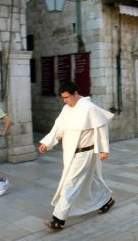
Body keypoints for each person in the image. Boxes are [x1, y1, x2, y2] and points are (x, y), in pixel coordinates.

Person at [39, 81, 115, 230]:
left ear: (75, 94)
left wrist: (103, 149)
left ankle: (58, 220)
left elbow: (101, 127)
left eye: (67, 97)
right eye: (63, 98)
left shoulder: (89, 108)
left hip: (85, 153)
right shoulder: (66, 108)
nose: (65, 101)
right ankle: (107, 201)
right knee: (89, 179)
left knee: (71, 184)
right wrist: (46, 143)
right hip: (70, 153)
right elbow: (58, 128)